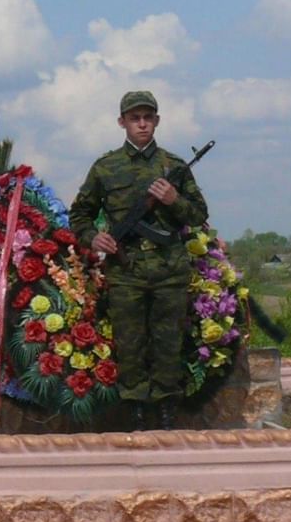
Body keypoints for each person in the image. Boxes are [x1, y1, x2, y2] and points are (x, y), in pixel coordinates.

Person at [69, 90, 208, 429]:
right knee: (129, 342)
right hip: (126, 269)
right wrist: (94, 238)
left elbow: (199, 213)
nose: (142, 124)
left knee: (167, 341)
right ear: (123, 122)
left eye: (148, 117)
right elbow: (79, 216)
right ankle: (135, 409)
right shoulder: (105, 168)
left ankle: (165, 407)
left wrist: (174, 199)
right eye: (135, 118)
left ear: (157, 121)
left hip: (168, 268)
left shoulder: (174, 166)